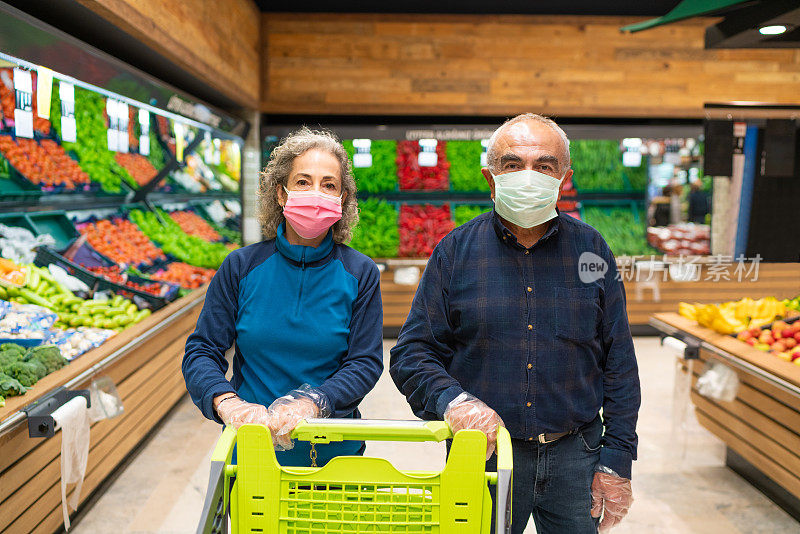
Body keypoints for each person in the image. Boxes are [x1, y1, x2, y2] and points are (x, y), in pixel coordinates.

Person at [390, 113, 640, 533]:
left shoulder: (591, 250)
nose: (529, 176)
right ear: (491, 179)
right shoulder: (455, 252)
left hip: (576, 453)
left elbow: (618, 361)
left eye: (544, 165)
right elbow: (413, 353)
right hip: (483, 454)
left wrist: (617, 457)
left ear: (564, 177)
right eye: (512, 164)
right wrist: (454, 402)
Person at [183, 127, 383, 467]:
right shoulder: (241, 267)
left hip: (334, 454)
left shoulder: (360, 272)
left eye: (328, 185)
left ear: (342, 199)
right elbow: (202, 350)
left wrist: (314, 402)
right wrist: (227, 401)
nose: (315, 193)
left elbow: (364, 362)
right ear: (281, 193)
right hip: (252, 451)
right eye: (303, 182)